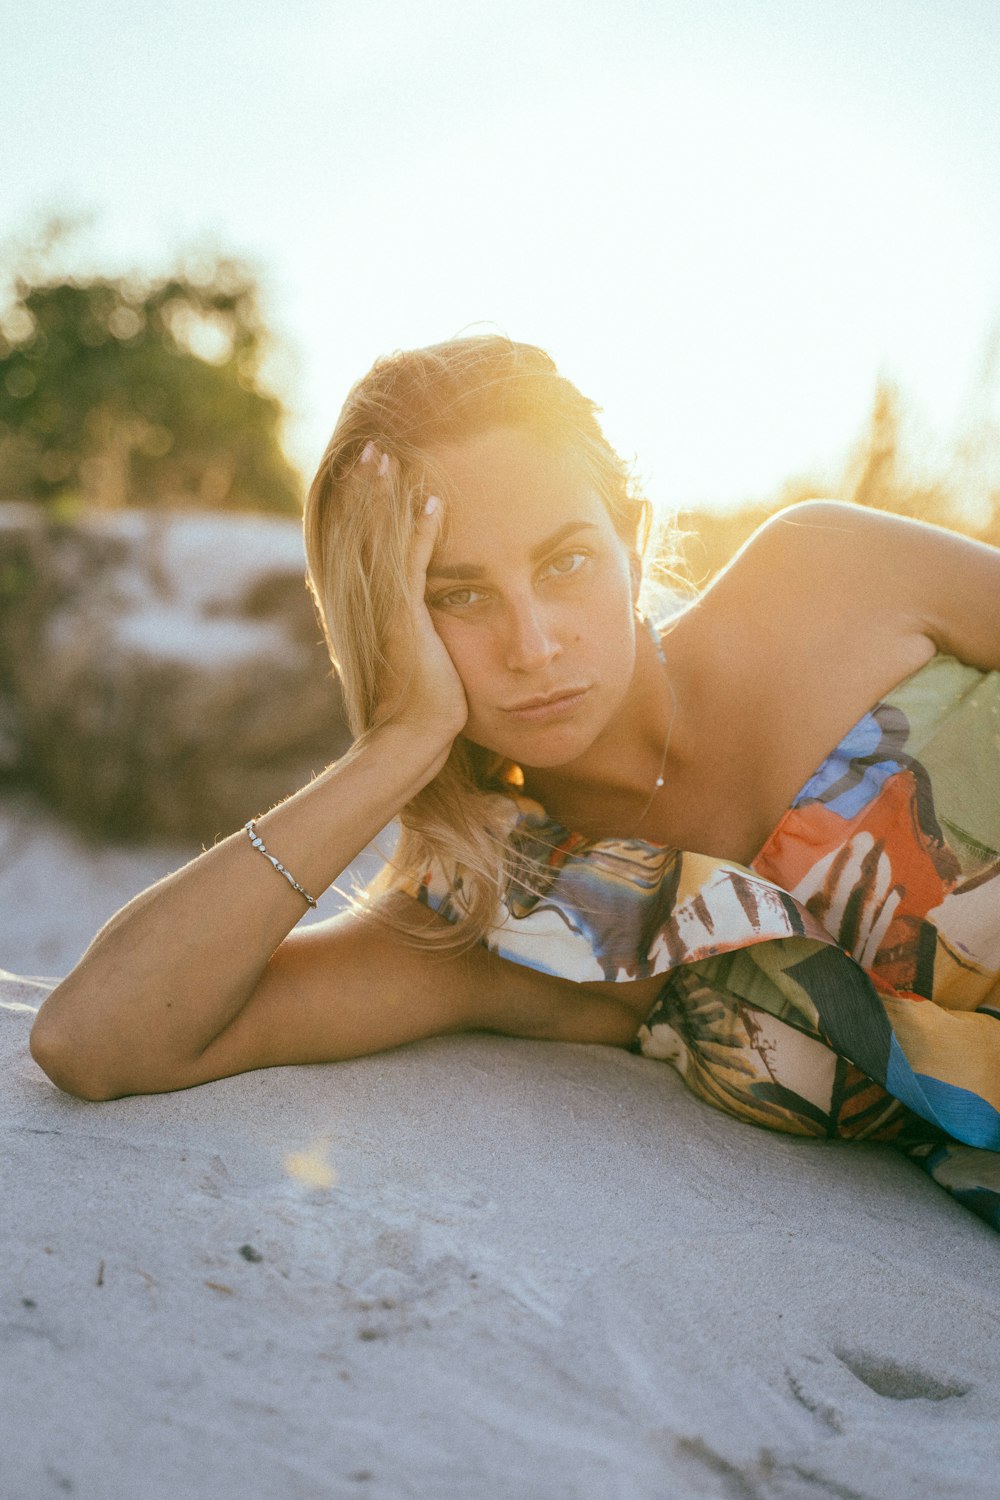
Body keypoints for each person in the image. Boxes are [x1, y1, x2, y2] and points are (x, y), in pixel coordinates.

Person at [29, 335, 1000, 1228]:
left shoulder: (825, 575)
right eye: (458, 594)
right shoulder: (510, 923)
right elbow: (95, 1040)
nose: (532, 645)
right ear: (392, 620)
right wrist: (397, 750)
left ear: (633, 536)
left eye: (566, 561)